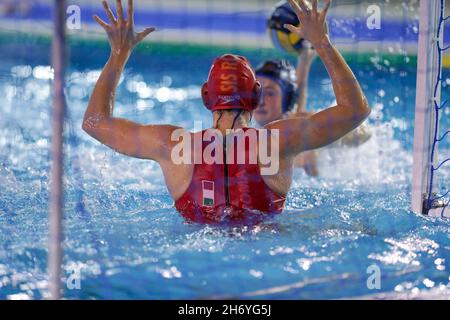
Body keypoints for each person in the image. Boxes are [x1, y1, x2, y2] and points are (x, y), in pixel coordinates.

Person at [82, 0, 370, 223]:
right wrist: (322, 42)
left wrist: (118, 55)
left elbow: (95, 123)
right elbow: (354, 110)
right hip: (265, 251)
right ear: (256, 97)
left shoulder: (171, 144)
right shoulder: (279, 140)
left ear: (206, 96)